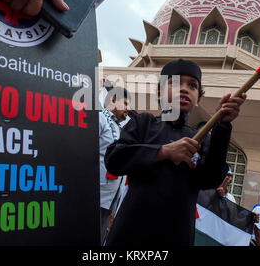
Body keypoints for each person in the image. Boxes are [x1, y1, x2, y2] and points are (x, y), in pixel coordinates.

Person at [104, 58, 247, 246]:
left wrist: (222, 127)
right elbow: (114, 159)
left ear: (199, 99)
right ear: (159, 92)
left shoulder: (200, 137)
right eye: (175, 83)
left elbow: (210, 179)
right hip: (132, 230)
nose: (184, 89)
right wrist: (163, 152)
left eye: (193, 85)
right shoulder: (144, 123)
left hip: (176, 233)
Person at [99, 86, 129, 244]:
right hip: (95, 194)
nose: (128, 108)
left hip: (109, 200)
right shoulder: (99, 118)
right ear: (112, 100)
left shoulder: (119, 128)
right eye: (125, 103)